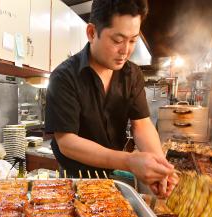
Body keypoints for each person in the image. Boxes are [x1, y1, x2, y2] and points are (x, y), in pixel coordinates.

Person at [45, 0, 177, 197]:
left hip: (112, 175)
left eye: (133, 40)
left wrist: (159, 166)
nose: (125, 51)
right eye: (117, 40)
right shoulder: (64, 77)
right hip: (75, 179)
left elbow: (141, 125)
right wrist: (128, 161)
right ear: (91, 33)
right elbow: (67, 142)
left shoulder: (132, 74)